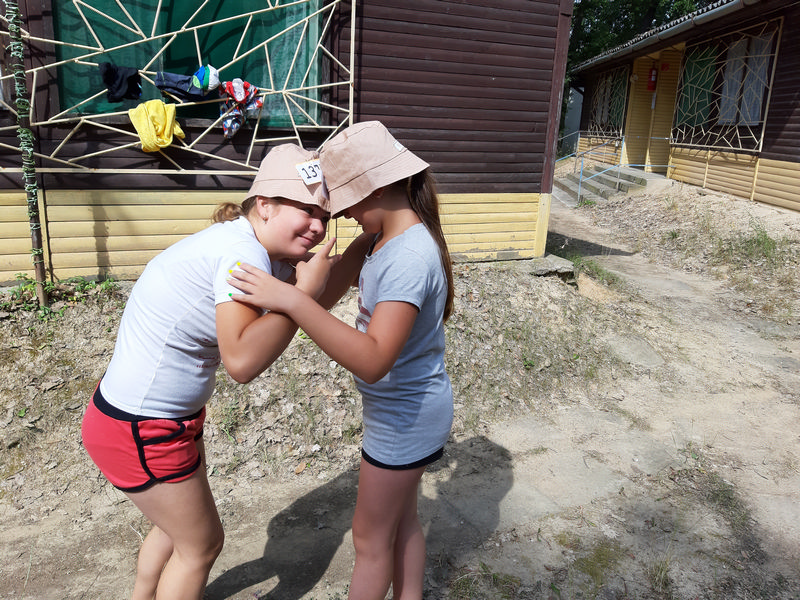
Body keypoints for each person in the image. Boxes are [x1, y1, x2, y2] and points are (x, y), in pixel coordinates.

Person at [80, 143, 367, 600]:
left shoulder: (253, 246)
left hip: (139, 418)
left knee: (175, 530)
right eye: (307, 210)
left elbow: (311, 305)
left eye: (325, 216)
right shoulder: (241, 253)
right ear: (265, 205)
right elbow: (242, 361)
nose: (318, 226)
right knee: (201, 545)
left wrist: (363, 244)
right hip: (142, 427)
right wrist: (303, 295)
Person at [227, 121, 455, 600]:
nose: (343, 213)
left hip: (405, 419)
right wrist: (298, 279)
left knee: (370, 540)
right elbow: (324, 297)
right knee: (402, 523)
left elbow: (373, 360)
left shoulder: (409, 258)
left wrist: (293, 301)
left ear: (377, 186)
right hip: (403, 410)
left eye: (346, 200)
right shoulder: (375, 241)